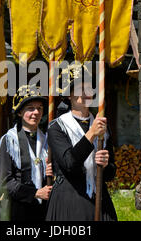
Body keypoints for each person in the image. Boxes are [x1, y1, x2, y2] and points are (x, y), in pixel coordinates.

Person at [45, 63, 117, 221]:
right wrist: (91, 133)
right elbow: (69, 164)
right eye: (79, 89)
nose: (85, 93)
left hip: (99, 199)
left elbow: (111, 173)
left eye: (89, 88)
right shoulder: (57, 127)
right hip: (69, 200)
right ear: (69, 96)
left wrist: (105, 165)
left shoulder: (102, 125)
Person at [0, 84, 53, 221]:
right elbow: (5, 182)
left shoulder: (48, 141)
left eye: (39, 108)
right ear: (20, 112)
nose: (36, 112)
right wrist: (35, 193)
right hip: (16, 209)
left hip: (44, 209)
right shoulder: (9, 141)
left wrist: (53, 173)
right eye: (30, 108)